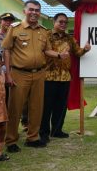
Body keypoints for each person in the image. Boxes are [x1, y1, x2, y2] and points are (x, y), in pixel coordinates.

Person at [2, 0, 68, 153]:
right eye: (31, 9)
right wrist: (8, 73)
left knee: (36, 108)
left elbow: (47, 51)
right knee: (15, 108)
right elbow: (6, 50)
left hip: (39, 74)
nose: (34, 12)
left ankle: (33, 138)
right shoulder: (15, 28)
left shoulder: (43, 31)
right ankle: (11, 140)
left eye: (37, 10)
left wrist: (59, 55)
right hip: (19, 73)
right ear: (24, 11)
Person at [39, 13, 91, 143]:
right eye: (60, 22)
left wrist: (84, 49)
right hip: (49, 76)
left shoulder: (69, 38)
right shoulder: (46, 36)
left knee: (60, 106)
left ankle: (57, 131)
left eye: (65, 22)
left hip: (65, 77)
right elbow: (43, 51)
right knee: (46, 107)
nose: (63, 24)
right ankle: (43, 133)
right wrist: (58, 55)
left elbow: (77, 52)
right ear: (54, 22)